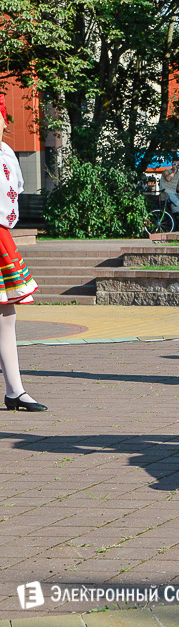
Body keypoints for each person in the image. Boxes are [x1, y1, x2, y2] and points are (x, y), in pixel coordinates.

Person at [0, 94, 45, 411]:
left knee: (6, 315)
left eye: (1, 115)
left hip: (1, 237)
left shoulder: (6, 152)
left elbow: (14, 191)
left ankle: (15, 390)